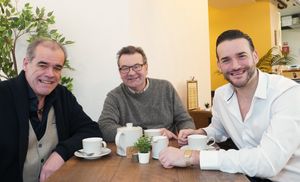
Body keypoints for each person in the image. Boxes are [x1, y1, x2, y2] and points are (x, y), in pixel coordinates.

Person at [159, 30, 300, 182]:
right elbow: (219, 129)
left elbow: (268, 162)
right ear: (219, 65)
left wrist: (192, 156)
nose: (235, 66)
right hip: (244, 175)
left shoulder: (287, 93)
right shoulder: (220, 95)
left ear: (255, 56)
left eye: (241, 56)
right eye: (226, 60)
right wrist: (200, 132)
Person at [0, 39, 102, 182]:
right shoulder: (3, 95)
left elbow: (91, 130)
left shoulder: (62, 96)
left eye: (57, 68)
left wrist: (61, 153)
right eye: (43, 65)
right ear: (26, 63)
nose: (50, 74)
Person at [98, 46, 195, 142]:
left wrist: (186, 133)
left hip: (168, 148)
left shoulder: (166, 88)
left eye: (136, 67)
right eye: (125, 68)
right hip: (134, 150)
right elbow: (105, 127)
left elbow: (185, 121)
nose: (131, 73)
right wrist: (149, 135)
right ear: (119, 72)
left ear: (146, 67)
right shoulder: (114, 97)